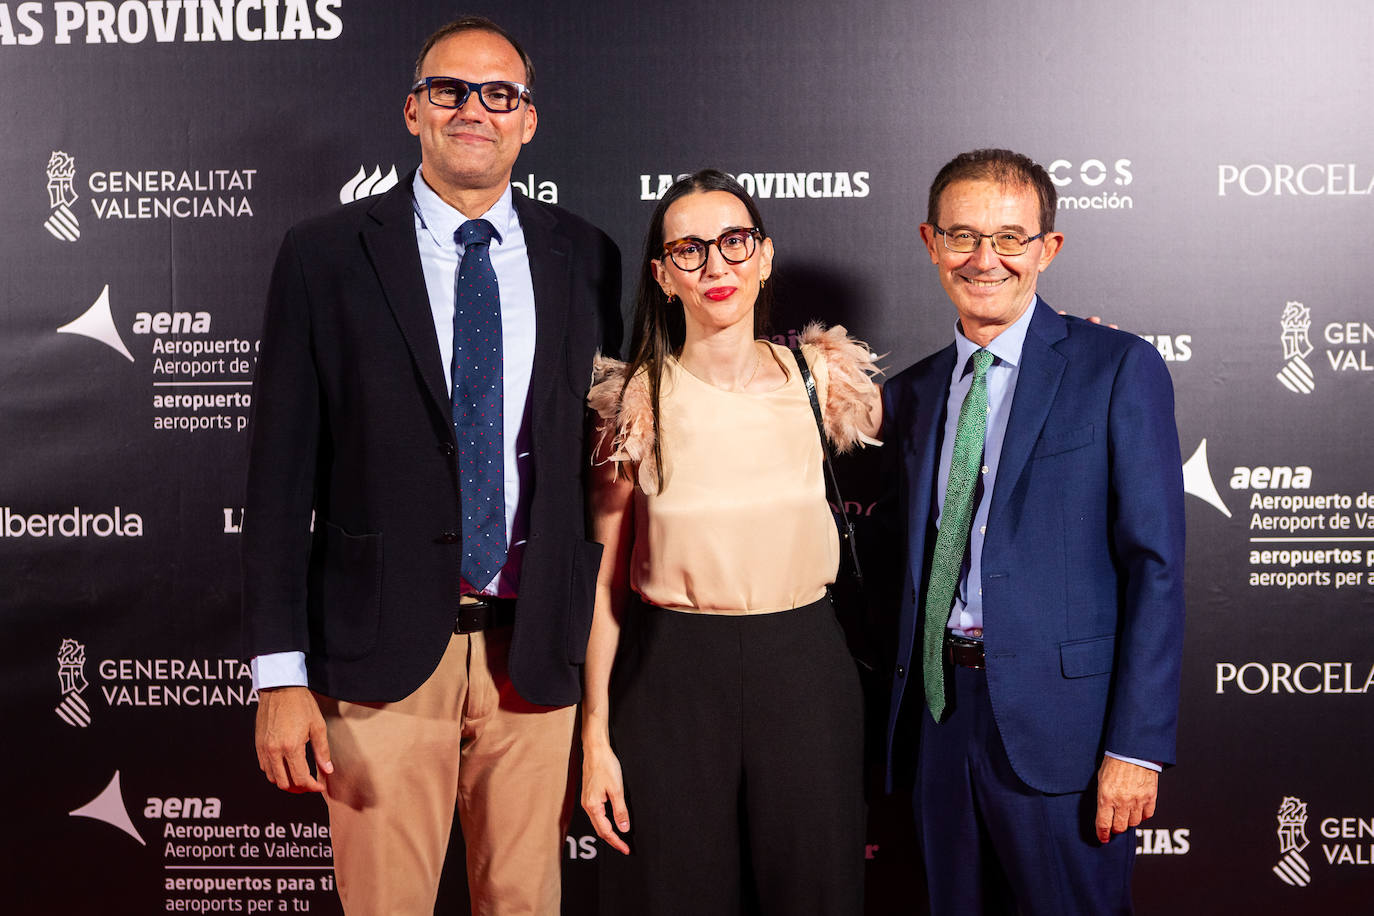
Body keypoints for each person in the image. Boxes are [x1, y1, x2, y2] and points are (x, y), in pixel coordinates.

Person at [242, 17, 620, 915]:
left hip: (534, 656)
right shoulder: (324, 255)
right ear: (414, 110)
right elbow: (275, 485)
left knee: (524, 904)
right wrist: (279, 676)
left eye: (500, 95)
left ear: (529, 121)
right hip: (376, 657)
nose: (474, 110)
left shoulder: (588, 257)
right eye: (450, 90)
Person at [882, 148, 1185, 915]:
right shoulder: (910, 394)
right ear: (929, 243)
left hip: (1067, 739)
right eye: (962, 236)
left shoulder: (1116, 366)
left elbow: (1155, 565)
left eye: (1011, 237)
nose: (986, 259)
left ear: (1048, 249)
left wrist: (1136, 746)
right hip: (942, 723)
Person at [581, 169, 881, 915]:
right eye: (689, 250)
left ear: (766, 256)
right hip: (669, 680)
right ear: (662, 275)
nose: (717, 266)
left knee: (816, 894)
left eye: (735, 242)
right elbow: (603, 586)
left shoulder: (824, 380)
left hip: (805, 670)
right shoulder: (633, 401)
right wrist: (594, 737)